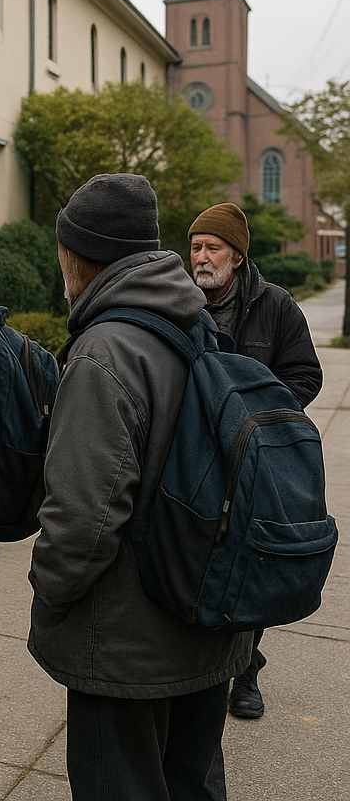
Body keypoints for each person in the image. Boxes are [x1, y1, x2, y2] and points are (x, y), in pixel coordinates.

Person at [29, 174, 253, 801]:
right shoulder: (195, 324)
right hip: (205, 624)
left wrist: (50, 589)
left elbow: (82, 519)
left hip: (127, 647)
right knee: (194, 786)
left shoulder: (105, 352)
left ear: (81, 255)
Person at [188, 201, 323, 719]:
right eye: (196, 246)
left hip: (256, 458)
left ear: (237, 256)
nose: (201, 257)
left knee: (250, 557)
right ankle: (205, 660)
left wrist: (259, 419)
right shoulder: (178, 301)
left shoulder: (276, 305)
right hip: (197, 454)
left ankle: (245, 671)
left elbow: (306, 375)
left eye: (212, 247)